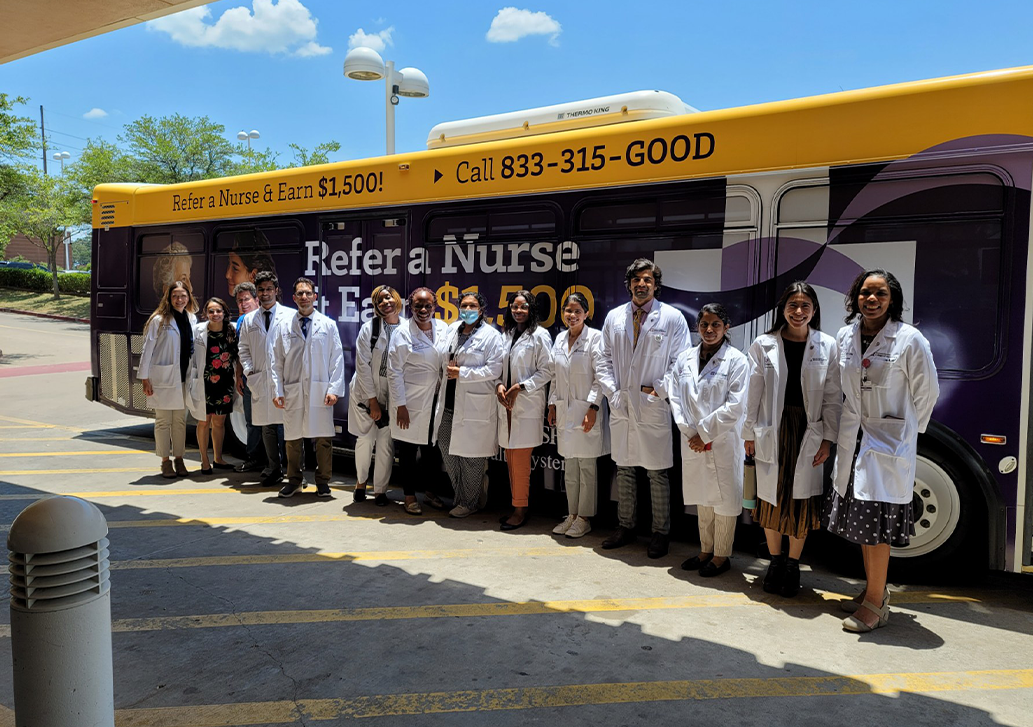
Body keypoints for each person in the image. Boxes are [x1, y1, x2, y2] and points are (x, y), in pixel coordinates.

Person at [826, 269, 939, 632]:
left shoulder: (909, 339)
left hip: (887, 444)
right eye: (865, 293)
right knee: (863, 526)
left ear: (892, 300)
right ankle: (874, 590)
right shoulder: (845, 335)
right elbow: (842, 387)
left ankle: (876, 602)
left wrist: (903, 432)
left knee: (875, 529)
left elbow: (927, 392)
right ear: (855, 297)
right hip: (855, 440)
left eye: (880, 294)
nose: (871, 299)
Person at [743, 282, 841, 597]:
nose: (798, 312)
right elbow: (752, 393)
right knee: (770, 498)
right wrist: (748, 433)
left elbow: (832, 397)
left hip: (807, 430)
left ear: (814, 310)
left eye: (805, 306)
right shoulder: (763, 344)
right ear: (783, 309)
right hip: (772, 427)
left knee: (801, 501)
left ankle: (793, 564)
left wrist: (827, 439)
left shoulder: (827, 345)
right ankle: (774, 562)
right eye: (792, 305)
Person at [597, 258, 690, 558]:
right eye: (636, 279)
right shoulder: (614, 317)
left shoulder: (672, 318)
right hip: (622, 404)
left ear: (655, 285)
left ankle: (660, 532)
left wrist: (658, 390)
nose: (641, 284)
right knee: (624, 469)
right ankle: (625, 526)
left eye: (647, 279)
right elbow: (602, 359)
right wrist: (612, 393)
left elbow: (681, 362)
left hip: (652, 405)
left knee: (657, 472)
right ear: (629, 284)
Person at [667, 303, 749, 576]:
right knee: (702, 497)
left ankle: (721, 555)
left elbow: (735, 406)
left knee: (724, 500)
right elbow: (675, 398)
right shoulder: (685, 359)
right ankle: (705, 550)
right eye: (704, 324)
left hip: (722, 441)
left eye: (716, 325)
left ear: (726, 328)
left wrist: (704, 434)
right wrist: (691, 433)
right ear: (698, 327)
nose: (709, 329)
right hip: (692, 440)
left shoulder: (737, 360)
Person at [271, 277, 346, 498]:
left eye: (308, 293)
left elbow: (337, 358)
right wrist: (277, 390)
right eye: (300, 294)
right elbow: (276, 361)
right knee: (292, 438)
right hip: (293, 389)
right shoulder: (283, 326)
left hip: (320, 390)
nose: (304, 297)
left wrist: (334, 389)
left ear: (315, 297)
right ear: (294, 298)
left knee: (323, 439)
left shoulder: (328, 325)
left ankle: (323, 481)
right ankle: (294, 480)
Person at [548, 292, 609, 539]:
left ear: (586, 314)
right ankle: (571, 514)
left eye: (577, 311)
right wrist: (552, 404)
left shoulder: (595, 338)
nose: (572, 315)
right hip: (564, 410)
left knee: (587, 467)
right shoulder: (560, 339)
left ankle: (584, 517)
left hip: (586, 411)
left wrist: (593, 408)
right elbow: (555, 376)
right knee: (570, 467)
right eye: (568, 310)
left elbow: (601, 377)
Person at [439, 291, 505, 518]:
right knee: (446, 448)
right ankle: (467, 496)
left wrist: (463, 373)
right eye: (464, 305)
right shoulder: (452, 329)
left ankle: (468, 502)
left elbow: (495, 369)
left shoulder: (492, 336)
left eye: (472, 305)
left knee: (472, 457)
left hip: (475, 402)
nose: (467, 310)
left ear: (481, 309)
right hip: (449, 401)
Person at [389, 287, 451, 514]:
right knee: (407, 450)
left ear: (435, 306)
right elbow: (394, 371)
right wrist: (401, 405)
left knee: (431, 450)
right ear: (410, 306)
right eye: (418, 306)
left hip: (435, 398)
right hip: (410, 401)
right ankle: (409, 496)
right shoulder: (402, 333)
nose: (423, 310)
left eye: (427, 305)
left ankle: (431, 492)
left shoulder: (442, 328)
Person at [495, 290, 553, 531]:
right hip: (507, 405)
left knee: (519, 461)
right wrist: (499, 385)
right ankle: (517, 504)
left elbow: (547, 370)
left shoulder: (540, 335)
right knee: (511, 458)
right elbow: (498, 366)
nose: (518, 311)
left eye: (524, 307)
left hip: (525, 403)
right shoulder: (506, 334)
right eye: (514, 307)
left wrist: (521, 387)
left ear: (531, 310)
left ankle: (520, 510)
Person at [347, 285, 405, 507]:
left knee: (385, 444)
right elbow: (362, 365)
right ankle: (361, 483)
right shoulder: (369, 328)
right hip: (365, 392)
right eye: (379, 301)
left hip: (392, 393)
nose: (385, 303)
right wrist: (372, 401)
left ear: (396, 298)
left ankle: (380, 490)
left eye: (388, 297)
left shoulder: (408, 328)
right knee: (365, 439)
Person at [238, 271, 293, 487]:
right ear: (257, 292)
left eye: (269, 289)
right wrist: (249, 371)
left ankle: (294, 471)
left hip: (285, 379)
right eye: (261, 290)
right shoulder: (249, 319)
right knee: (267, 427)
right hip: (260, 378)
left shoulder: (291, 316)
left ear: (276, 290)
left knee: (289, 427)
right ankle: (273, 469)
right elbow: (243, 348)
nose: (265, 293)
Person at [138, 280, 198, 478]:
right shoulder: (159, 320)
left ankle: (179, 459)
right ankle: (165, 461)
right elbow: (147, 349)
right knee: (163, 421)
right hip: (162, 377)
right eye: (175, 296)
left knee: (180, 421)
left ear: (188, 297)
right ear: (169, 298)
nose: (179, 299)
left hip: (183, 376)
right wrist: (144, 378)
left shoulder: (191, 318)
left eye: (183, 296)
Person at [186, 297, 238, 474]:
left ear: (224, 312)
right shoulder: (199, 330)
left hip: (224, 382)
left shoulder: (232, 330)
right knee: (203, 421)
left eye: (218, 311)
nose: (215, 314)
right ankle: (204, 460)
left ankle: (218, 458)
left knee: (219, 422)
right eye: (211, 311)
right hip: (205, 381)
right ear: (206, 314)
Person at [233, 282, 265, 472]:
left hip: (266, 377)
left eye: (246, 299)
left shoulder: (264, 318)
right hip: (248, 378)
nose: (243, 304)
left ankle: (274, 462)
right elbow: (241, 351)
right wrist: (239, 375)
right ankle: (254, 458)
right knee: (251, 421)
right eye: (239, 301)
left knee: (271, 423)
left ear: (256, 300)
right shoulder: (240, 321)